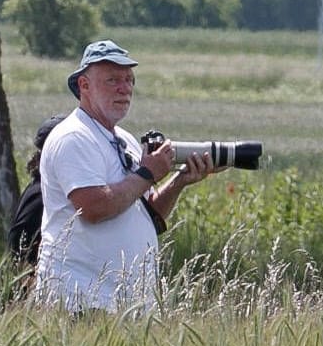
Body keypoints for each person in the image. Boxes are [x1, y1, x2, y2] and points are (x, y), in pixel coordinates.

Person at [37, 40, 223, 313]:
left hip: (123, 304)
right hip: (79, 298)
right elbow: (92, 207)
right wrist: (148, 173)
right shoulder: (73, 137)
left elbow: (146, 212)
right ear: (84, 86)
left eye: (129, 80)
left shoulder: (123, 139)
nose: (124, 89)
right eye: (112, 80)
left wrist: (180, 180)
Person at [5, 113, 68, 298]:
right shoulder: (41, 192)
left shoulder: (43, 186)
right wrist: (33, 280)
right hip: (38, 290)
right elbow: (19, 242)